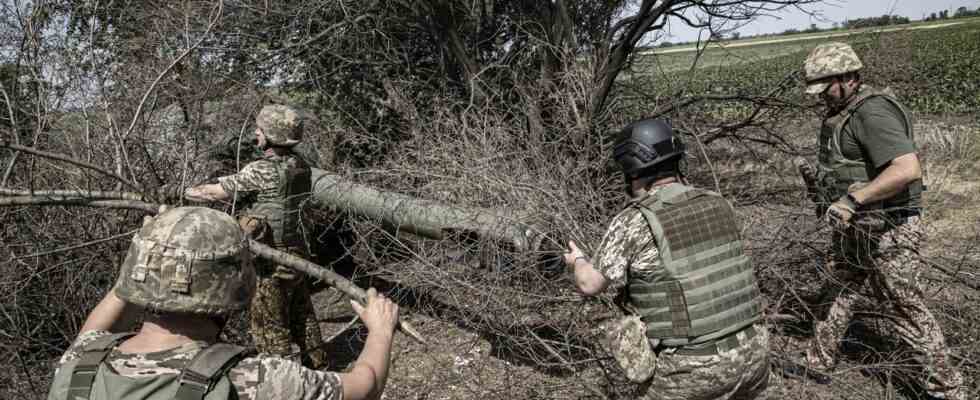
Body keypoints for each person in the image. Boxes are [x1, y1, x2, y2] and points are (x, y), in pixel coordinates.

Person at [47, 206, 399, 400]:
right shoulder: (251, 380)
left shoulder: (79, 362)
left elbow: (99, 325)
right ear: (238, 284)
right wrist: (380, 331)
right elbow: (364, 387)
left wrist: (156, 248)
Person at [799, 42, 965, 400]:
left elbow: (907, 169)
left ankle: (948, 390)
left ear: (847, 78)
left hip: (890, 227)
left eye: (825, 88)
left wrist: (852, 199)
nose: (820, 97)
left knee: (904, 307)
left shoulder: (872, 113)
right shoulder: (841, 113)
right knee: (838, 289)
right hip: (857, 227)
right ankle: (817, 361)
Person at [563, 118, 769, 400]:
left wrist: (577, 260)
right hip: (755, 354)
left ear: (631, 170)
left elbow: (589, 284)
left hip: (694, 368)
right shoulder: (718, 202)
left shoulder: (633, 220)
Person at [185, 104, 327, 368]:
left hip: (269, 263)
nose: (256, 133)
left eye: (260, 129)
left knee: (269, 326)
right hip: (297, 255)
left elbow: (215, 192)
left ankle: (283, 381)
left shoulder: (261, 170)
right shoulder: (302, 166)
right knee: (302, 314)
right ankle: (319, 366)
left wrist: (185, 192)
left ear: (271, 136)